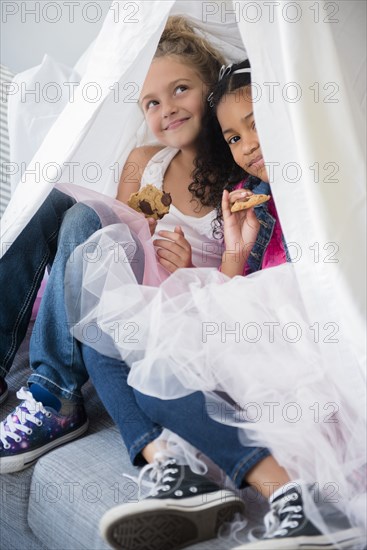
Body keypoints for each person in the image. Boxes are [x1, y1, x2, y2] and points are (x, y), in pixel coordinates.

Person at [76, 61, 364, 549]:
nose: (247, 145)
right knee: (106, 337)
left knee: (156, 372)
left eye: (256, 123)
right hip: (258, 344)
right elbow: (235, 297)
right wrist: (233, 253)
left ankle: (293, 495)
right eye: (232, 137)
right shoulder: (252, 201)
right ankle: (175, 467)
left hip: (309, 355)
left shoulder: (331, 186)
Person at [0, 16, 228, 474]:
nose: (167, 108)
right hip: (118, 295)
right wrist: (134, 222)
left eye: (181, 89)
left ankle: (56, 396)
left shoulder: (235, 182)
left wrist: (184, 270)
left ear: (212, 89)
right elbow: (112, 247)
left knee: (84, 214)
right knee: (55, 198)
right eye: (151, 102)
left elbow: (237, 285)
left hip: (175, 312)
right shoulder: (145, 161)